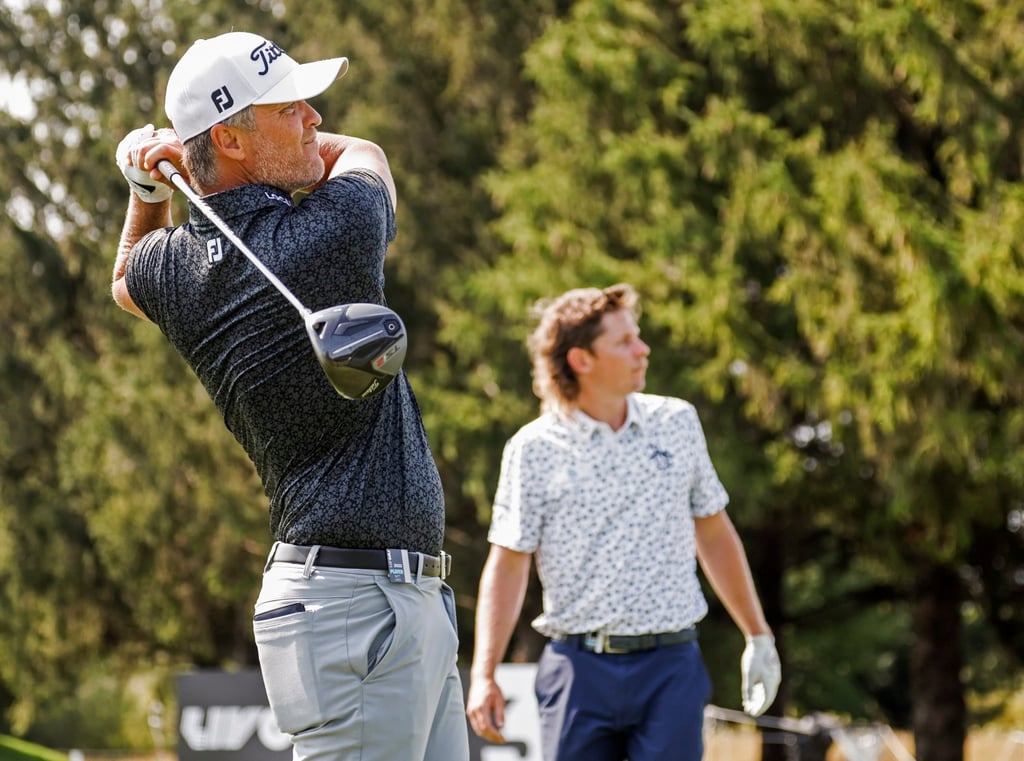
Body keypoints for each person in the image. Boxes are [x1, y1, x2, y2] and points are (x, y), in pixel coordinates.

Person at [111, 31, 468, 761]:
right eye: (288, 108)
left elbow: (124, 281)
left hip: (383, 602)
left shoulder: (178, 272)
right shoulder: (334, 232)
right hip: (357, 610)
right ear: (234, 140)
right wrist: (181, 161)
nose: (312, 117)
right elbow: (365, 151)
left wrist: (149, 190)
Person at [465, 283, 781, 761]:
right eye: (625, 341)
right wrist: (485, 672)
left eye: (638, 336)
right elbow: (508, 564)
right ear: (581, 360)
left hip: (670, 668)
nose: (642, 349)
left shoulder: (678, 422)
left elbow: (714, 532)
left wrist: (758, 634)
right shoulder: (532, 449)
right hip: (577, 671)